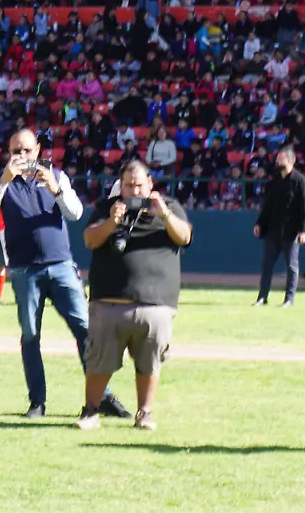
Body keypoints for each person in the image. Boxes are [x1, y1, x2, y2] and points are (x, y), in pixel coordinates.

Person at [0, 128, 131, 420]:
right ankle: (37, 402)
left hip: (60, 265)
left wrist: (55, 189)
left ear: (38, 150)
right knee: (31, 335)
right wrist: (3, 183)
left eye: (26, 150)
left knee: (86, 331)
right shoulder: (2, 181)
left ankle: (103, 397)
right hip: (24, 269)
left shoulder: (56, 176)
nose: (21, 156)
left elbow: (75, 214)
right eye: (15, 151)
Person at [75, 160, 193, 431]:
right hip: (109, 303)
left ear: (150, 184)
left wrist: (164, 215)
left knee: (150, 363)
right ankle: (91, 411)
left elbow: (184, 237)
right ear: (121, 186)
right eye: (129, 185)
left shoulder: (170, 206)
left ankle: (145, 413)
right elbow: (90, 240)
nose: (134, 190)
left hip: (156, 305)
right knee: (98, 361)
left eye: (139, 184)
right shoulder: (106, 207)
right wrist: (111, 221)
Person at [252, 145, 305, 308]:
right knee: (267, 265)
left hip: (290, 232)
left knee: (292, 266)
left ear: (290, 161)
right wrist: (260, 223)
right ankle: (262, 297)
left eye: (281, 158)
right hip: (272, 230)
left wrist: (303, 230)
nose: (277, 161)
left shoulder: (300, 181)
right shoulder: (275, 180)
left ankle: (289, 299)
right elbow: (267, 205)